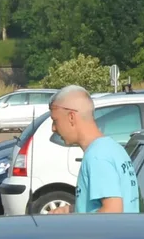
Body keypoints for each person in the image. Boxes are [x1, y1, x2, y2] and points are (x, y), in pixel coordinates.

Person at [53, 86, 135, 214]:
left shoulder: (97, 156)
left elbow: (112, 212)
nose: (53, 128)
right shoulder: (114, 148)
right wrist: (70, 210)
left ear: (71, 117)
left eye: (55, 121)